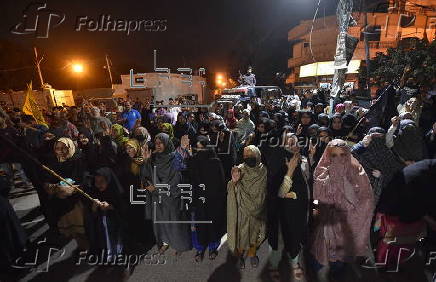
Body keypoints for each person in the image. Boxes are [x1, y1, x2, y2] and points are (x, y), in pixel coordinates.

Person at [312, 139, 374, 282]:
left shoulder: (357, 170)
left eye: (342, 155)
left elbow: (367, 198)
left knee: (341, 259)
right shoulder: (321, 170)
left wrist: (353, 211)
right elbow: (316, 197)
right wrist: (315, 211)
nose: (338, 159)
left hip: (349, 222)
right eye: (334, 155)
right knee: (325, 251)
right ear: (328, 155)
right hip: (328, 221)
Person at [267, 134, 310, 282]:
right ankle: (280, 264)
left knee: (297, 234)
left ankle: (294, 259)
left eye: (296, 143)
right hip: (285, 211)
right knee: (284, 237)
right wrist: (290, 171)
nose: (294, 146)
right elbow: (278, 192)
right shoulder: (281, 161)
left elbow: (309, 182)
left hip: (302, 209)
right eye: (290, 143)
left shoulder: (303, 159)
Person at [142, 133, 191, 254]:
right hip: (157, 196)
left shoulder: (175, 157)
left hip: (172, 196)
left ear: (167, 143)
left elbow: (177, 180)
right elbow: (146, 176)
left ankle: (178, 243)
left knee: (174, 221)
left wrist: (158, 189)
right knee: (161, 221)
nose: (158, 146)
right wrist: (146, 162)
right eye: (156, 143)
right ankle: (164, 242)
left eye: (161, 143)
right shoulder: (153, 158)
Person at [43, 137, 88, 251]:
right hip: (62, 202)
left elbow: (82, 178)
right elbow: (47, 180)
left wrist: (71, 188)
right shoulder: (53, 162)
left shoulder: (78, 159)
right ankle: (81, 247)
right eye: (57, 148)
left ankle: (88, 247)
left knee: (83, 228)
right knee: (73, 230)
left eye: (64, 148)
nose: (61, 151)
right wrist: (53, 187)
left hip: (78, 202)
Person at [227, 145, 267, 269]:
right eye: (245, 156)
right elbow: (231, 187)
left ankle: (252, 254)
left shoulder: (263, 170)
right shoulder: (239, 169)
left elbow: (264, 190)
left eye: (250, 155)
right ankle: (239, 256)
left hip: (258, 210)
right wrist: (234, 181)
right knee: (241, 236)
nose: (247, 158)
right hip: (242, 211)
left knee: (255, 236)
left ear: (257, 155)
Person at [188, 136, 226, 262]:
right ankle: (199, 248)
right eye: (197, 148)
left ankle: (212, 247)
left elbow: (221, 183)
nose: (200, 151)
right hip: (199, 199)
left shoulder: (215, 161)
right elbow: (190, 179)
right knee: (199, 224)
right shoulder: (193, 161)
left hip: (213, 200)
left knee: (213, 224)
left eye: (202, 148)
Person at [86, 167, 127, 259]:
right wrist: (94, 208)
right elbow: (90, 215)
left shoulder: (116, 192)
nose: (99, 184)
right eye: (96, 181)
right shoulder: (93, 192)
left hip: (116, 226)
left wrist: (110, 207)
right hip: (101, 230)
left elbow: (123, 209)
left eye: (102, 181)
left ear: (108, 180)